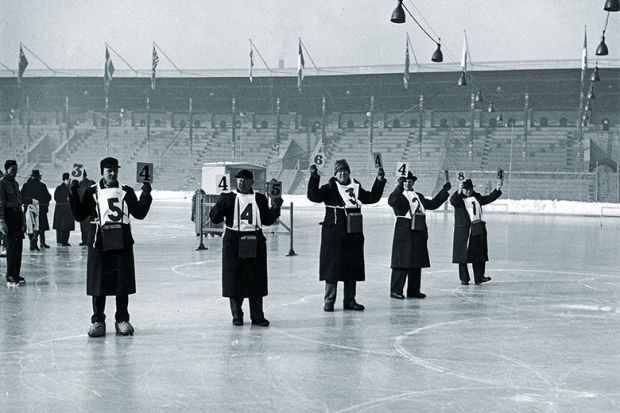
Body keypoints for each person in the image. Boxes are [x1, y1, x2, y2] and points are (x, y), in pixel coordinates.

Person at [69, 157, 152, 337]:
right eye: (109, 170)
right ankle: (98, 321)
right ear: (102, 172)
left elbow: (139, 213)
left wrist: (146, 194)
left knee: (122, 280)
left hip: (122, 240)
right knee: (99, 282)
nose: (112, 174)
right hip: (99, 241)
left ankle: (122, 319)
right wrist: (73, 193)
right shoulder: (91, 192)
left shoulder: (126, 191)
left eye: (115, 170)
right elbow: (79, 215)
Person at [307, 159, 387, 312]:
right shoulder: (329, 187)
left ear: (349, 172)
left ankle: (350, 300)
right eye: (339, 171)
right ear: (335, 174)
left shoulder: (356, 187)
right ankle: (329, 301)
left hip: (353, 234)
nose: (342, 173)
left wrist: (379, 181)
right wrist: (314, 177)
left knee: (352, 267)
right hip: (334, 235)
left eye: (345, 171)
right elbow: (313, 196)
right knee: (332, 268)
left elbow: (372, 198)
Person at [209, 169, 282, 327]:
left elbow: (267, 220)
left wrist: (276, 207)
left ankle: (257, 316)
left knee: (256, 280)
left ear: (251, 182)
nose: (241, 182)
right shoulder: (227, 198)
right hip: (233, 241)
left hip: (255, 239)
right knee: (234, 281)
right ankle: (237, 316)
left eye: (244, 180)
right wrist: (219, 204)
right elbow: (214, 218)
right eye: (239, 180)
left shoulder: (260, 199)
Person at [388, 171, 451, 299]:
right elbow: (392, 201)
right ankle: (396, 290)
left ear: (413, 182)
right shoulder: (399, 196)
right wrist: (399, 187)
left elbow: (432, 204)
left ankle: (414, 290)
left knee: (416, 262)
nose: (407, 183)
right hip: (404, 231)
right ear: (401, 183)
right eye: (404, 181)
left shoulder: (419, 196)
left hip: (418, 230)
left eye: (409, 181)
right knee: (401, 262)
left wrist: (444, 191)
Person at [450, 178, 502, 286]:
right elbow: (453, 201)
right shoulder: (459, 199)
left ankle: (479, 277)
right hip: (463, 231)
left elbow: (488, 198)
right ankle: (464, 278)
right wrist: (459, 191)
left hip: (477, 228)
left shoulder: (477, 197)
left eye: (470, 189)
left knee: (479, 254)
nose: (468, 191)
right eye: (466, 189)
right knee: (462, 255)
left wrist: (497, 189)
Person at [0, 160, 25, 285]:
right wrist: (1, 222)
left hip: (17, 217)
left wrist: (23, 220)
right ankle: (10, 274)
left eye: (16, 169)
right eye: (12, 170)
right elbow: (1, 204)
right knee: (11, 247)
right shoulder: (2, 184)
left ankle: (16, 273)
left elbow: (19, 203)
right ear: (6, 170)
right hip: (9, 216)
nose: (15, 172)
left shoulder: (15, 184)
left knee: (18, 247)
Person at [21, 169, 52, 249]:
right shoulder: (42, 185)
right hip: (40, 209)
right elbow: (48, 197)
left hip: (28, 208)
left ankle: (32, 242)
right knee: (40, 226)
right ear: (38, 177)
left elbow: (21, 197)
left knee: (30, 227)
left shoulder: (26, 185)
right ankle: (38, 242)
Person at [53, 173, 75, 246]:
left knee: (67, 227)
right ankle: (60, 241)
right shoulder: (59, 188)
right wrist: (65, 199)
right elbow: (56, 197)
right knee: (60, 227)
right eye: (68, 179)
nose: (69, 181)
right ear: (65, 180)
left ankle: (65, 241)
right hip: (61, 211)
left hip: (68, 211)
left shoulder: (70, 188)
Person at [77, 170, 95, 246]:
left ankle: (86, 240)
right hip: (86, 207)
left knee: (86, 225)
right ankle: (86, 240)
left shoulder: (83, 183)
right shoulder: (91, 183)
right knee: (85, 226)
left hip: (85, 207)